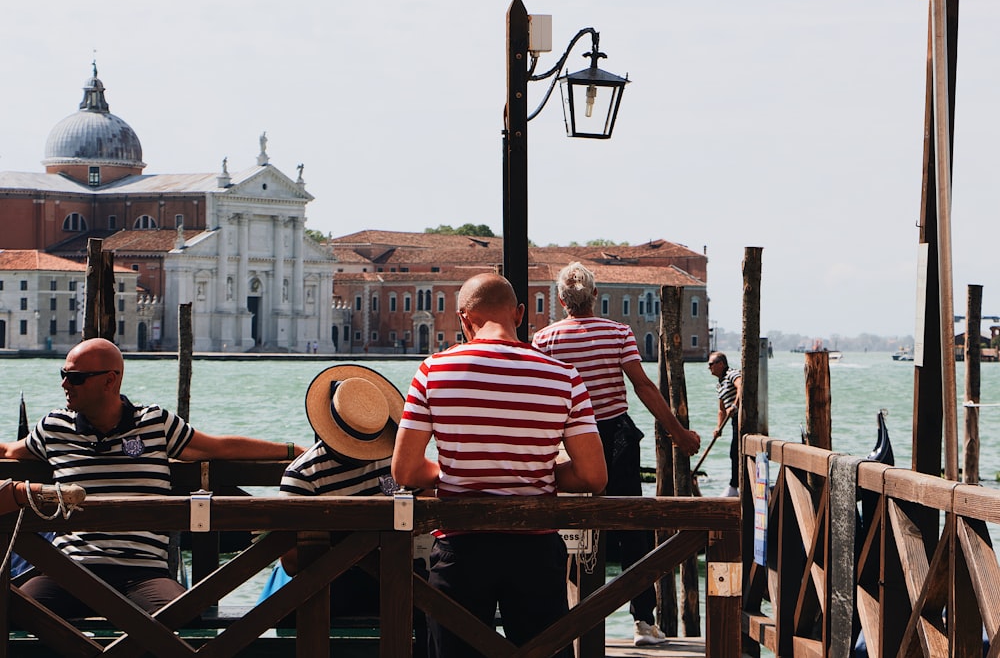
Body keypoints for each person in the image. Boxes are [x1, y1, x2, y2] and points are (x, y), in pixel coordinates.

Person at [0, 337, 305, 618]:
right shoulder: (54, 427)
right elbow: (10, 451)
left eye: (76, 377)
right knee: (12, 611)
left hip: (143, 572)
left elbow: (219, 447)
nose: (66, 383)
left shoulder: (155, 423)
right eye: (63, 374)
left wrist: (292, 450)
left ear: (110, 380)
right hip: (71, 569)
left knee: (183, 618)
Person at [391, 272, 607, 658]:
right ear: (520, 314)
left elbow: (405, 472)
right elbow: (593, 476)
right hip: (536, 554)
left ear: (462, 318)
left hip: (461, 550)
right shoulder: (564, 377)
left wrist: (454, 471)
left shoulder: (432, 371)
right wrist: (537, 470)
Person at [531, 261, 701, 647]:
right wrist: (678, 433)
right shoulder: (618, 333)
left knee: (561, 526)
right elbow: (643, 386)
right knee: (631, 527)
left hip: (566, 440)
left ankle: (560, 620)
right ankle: (644, 622)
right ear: (595, 295)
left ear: (560, 300)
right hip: (615, 439)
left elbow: (539, 394)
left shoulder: (545, 339)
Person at [272, 363, 427, 655]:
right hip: (397, 586)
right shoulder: (392, 461)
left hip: (332, 590)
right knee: (429, 596)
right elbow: (427, 505)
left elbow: (291, 561)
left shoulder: (303, 474)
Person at [708, 351, 742, 497]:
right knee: (733, 452)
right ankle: (735, 485)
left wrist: (735, 405)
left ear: (721, 364)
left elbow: (741, 386)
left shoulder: (732, 374)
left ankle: (735, 486)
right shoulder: (720, 383)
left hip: (741, 417)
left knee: (736, 451)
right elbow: (721, 409)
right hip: (733, 419)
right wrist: (718, 427)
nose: (709, 367)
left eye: (711, 364)